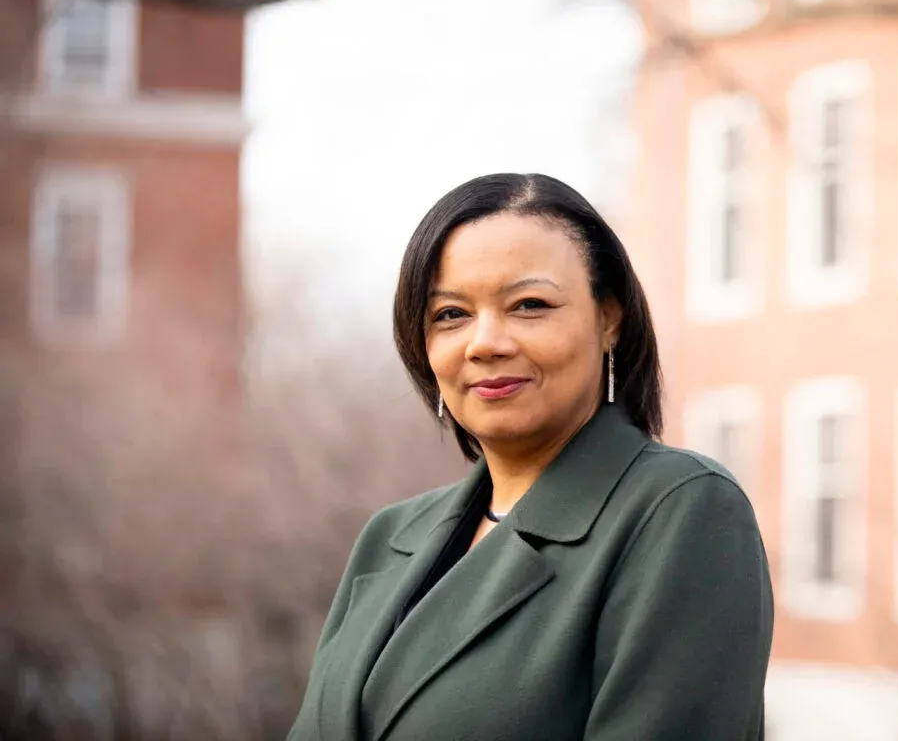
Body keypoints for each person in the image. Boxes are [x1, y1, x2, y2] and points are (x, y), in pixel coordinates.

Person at [287, 173, 774, 741]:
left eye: (528, 304)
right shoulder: (392, 535)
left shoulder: (680, 514)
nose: (485, 341)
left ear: (608, 318)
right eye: (450, 314)